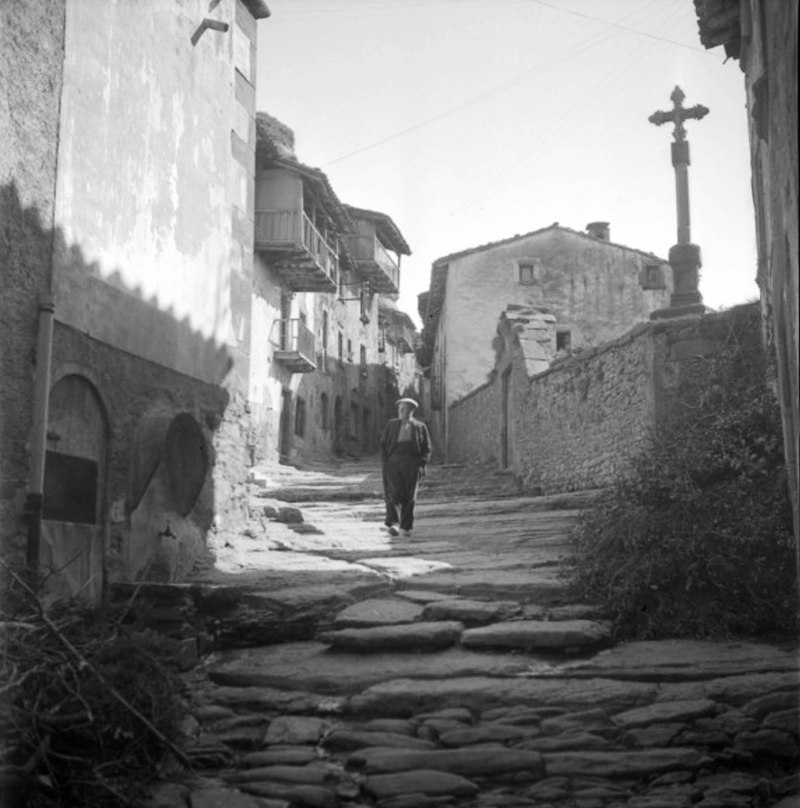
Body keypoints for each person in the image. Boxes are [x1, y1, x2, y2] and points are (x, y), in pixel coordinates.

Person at [380, 397, 432, 538]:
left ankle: (406, 526)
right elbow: (384, 445)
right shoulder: (391, 425)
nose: (403, 412)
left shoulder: (420, 426)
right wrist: (386, 464)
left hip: (411, 463)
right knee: (393, 493)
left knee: (410, 496)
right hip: (393, 462)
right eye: (401, 409)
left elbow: (426, 448)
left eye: (407, 409)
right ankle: (394, 524)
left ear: (412, 411)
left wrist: (421, 464)